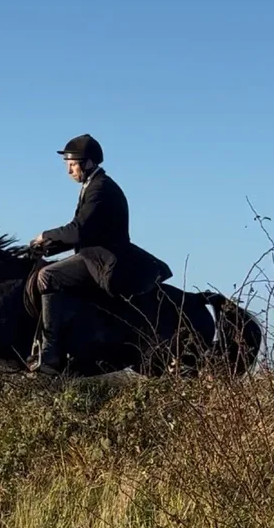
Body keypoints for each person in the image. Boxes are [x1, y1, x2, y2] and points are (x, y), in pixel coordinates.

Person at [28, 133, 171, 374]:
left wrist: (45, 234)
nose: (69, 171)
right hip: (93, 254)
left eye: (73, 165)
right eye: (68, 165)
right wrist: (46, 247)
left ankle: (50, 352)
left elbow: (78, 229)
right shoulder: (92, 186)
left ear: (89, 163)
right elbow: (84, 233)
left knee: (47, 276)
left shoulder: (100, 188)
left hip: (104, 260)